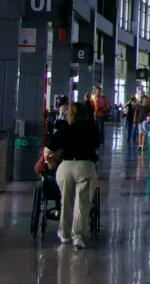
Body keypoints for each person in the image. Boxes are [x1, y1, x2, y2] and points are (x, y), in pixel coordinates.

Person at [46, 102, 100, 249]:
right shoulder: (92, 128)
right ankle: (78, 236)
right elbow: (97, 144)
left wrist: (48, 159)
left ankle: (64, 235)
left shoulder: (64, 128)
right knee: (82, 203)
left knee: (66, 201)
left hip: (66, 167)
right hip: (85, 166)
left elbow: (49, 148)